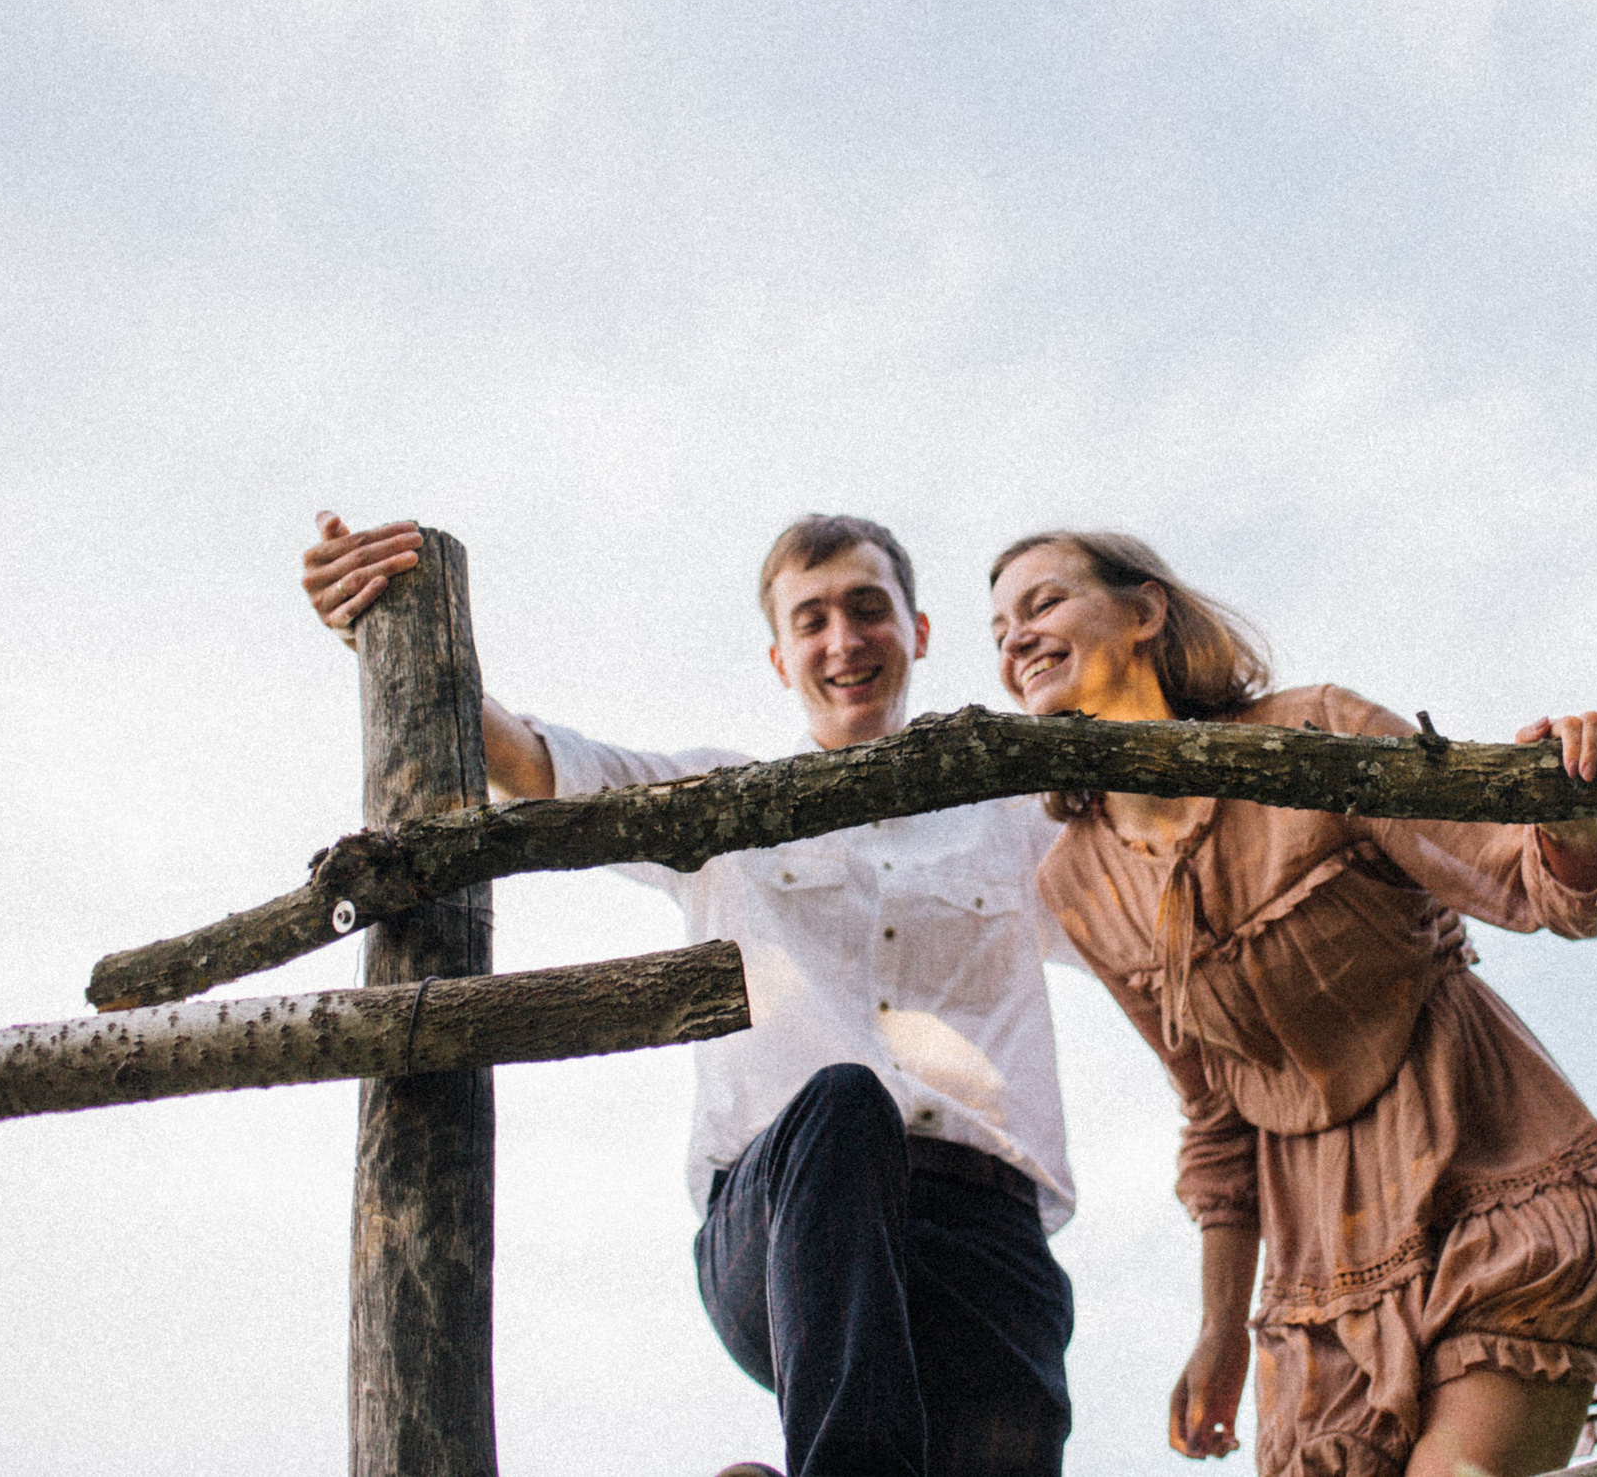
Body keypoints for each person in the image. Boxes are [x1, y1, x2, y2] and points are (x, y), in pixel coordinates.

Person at [305, 511, 1080, 1477]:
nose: (843, 641)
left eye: (868, 608)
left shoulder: (1014, 823)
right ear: (778, 655)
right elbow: (540, 765)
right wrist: (384, 627)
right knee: (843, 1103)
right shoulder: (723, 800)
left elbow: (1170, 899)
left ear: (918, 631)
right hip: (783, 1223)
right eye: (813, 619)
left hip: (985, 1234)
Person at [987, 531, 1597, 1477]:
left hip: (1489, 1176)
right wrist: (1220, 1329)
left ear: (1146, 612)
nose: (1017, 637)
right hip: (1324, 1269)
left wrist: (1566, 806)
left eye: (1043, 603)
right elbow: (1216, 1113)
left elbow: (1522, 875)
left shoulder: (1312, 732)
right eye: (999, 628)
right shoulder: (1079, 881)